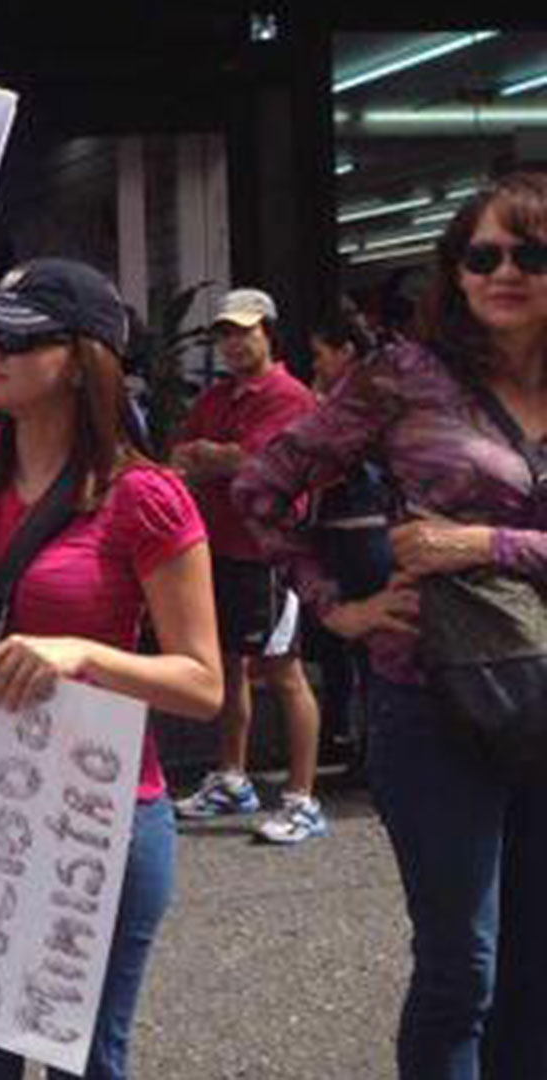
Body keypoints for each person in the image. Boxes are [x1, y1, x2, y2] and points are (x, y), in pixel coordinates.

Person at [235, 172, 547, 1079]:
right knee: (464, 969)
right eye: (480, 254)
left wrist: (477, 541)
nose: (503, 272)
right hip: (432, 694)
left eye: (529, 253)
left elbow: (481, 541)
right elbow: (261, 489)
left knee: (537, 968)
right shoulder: (404, 376)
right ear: (453, 270)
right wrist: (340, 609)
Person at [0, 259, 223, 1080]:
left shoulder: (146, 497)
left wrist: (84, 655)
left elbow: (203, 684)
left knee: (87, 1060)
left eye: (22, 336)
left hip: (103, 812)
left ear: (85, 357)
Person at [169, 287, 327, 844]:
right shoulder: (217, 397)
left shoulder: (289, 395)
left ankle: (303, 798)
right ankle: (231, 777)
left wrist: (215, 455)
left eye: (245, 330)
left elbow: (257, 461)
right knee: (228, 666)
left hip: (270, 553)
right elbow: (183, 456)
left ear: (269, 332)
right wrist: (218, 456)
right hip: (219, 549)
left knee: (284, 671)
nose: (234, 343)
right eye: (226, 333)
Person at [298, 302, 394, 762]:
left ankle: (374, 747)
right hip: (342, 532)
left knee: (367, 643)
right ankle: (353, 740)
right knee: (344, 644)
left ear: (347, 351)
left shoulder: (366, 397)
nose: (315, 365)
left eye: (321, 354)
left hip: (366, 533)